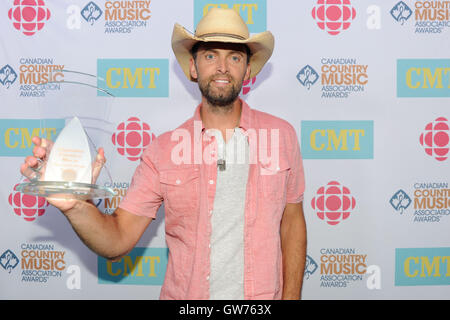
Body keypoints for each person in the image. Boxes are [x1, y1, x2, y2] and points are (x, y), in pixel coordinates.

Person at [20, 8, 306, 300]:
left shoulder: (281, 136)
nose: (222, 67)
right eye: (210, 55)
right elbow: (117, 240)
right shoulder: (163, 151)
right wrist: (76, 206)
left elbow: (293, 221)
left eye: (234, 56)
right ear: (193, 68)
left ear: (247, 70)